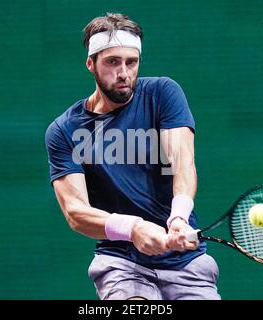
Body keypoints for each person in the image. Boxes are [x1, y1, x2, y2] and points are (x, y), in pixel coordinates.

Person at [45, 12, 220, 300]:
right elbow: (76, 213)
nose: (124, 72)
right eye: (112, 62)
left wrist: (178, 217)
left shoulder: (163, 93)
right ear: (91, 64)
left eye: (131, 62)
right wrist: (133, 228)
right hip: (121, 264)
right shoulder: (64, 130)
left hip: (187, 265)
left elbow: (182, 162)